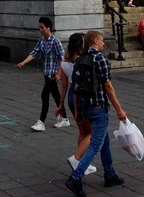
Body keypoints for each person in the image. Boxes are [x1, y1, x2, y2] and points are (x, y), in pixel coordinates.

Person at [65, 30, 126, 196]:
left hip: (85, 107)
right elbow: (108, 86)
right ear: (95, 42)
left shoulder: (80, 59)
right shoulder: (100, 58)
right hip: (99, 108)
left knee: (104, 140)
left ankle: (109, 174)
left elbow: (75, 88)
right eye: (102, 40)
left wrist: (77, 111)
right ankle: (75, 178)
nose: (103, 43)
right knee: (95, 144)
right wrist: (119, 108)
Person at [17, 16, 67, 131]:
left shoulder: (55, 41)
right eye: (39, 27)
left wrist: (59, 73)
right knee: (56, 96)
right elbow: (34, 53)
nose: (40, 30)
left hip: (53, 74)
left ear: (48, 28)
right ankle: (64, 118)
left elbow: (61, 58)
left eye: (42, 27)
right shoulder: (41, 41)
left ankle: (41, 122)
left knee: (45, 96)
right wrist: (23, 62)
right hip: (47, 73)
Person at [57, 33, 96, 178]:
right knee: (93, 132)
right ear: (81, 45)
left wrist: (61, 104)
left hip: (71, 97)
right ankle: (78, 159)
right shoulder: (82, 60)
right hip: (81, 95)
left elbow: (64, 86)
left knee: (82, 130)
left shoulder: (65, 62)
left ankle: (82, 163)